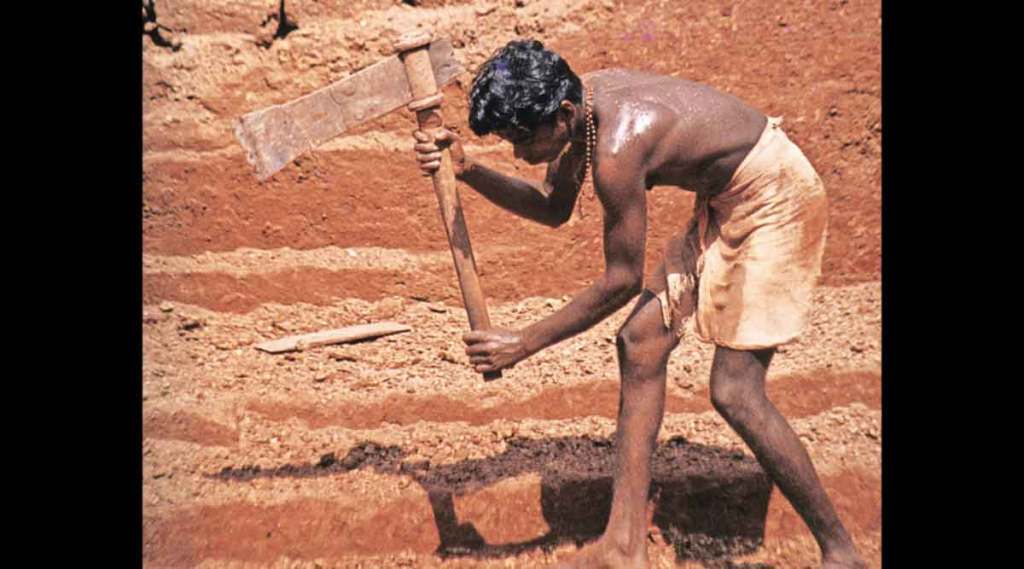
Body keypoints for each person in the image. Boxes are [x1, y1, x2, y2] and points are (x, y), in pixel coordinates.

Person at [411, 39, 867, 569]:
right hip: (728, 199)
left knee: (735, 390)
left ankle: (842, 553)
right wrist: (468, 171)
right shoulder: (583, 106)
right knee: (641, 343)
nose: (518, 154)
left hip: (777, 199)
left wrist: (523, 343)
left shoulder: (617, 147)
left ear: (561, 115)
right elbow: (552, 207)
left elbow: (623, 279)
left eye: (522, 139)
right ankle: (623, 547)